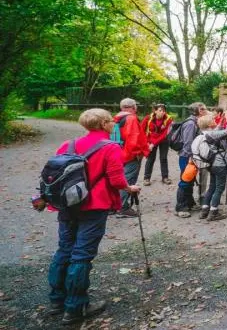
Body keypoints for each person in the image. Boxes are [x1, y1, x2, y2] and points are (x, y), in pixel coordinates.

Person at [47, 109, 142, 325]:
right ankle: (76, 306)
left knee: (64, 249)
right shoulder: (110, 147)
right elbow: (117, 180)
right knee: (82, 254)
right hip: (94, 205)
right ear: (104, 124)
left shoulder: (68, 145)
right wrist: (130, 188)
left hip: (68, 204)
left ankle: (56, 300)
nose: (114, 124)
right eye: (111, 121)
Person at [192, 114, 227, 221]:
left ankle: (204, 210)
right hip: (220, 165)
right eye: (212, 120)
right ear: (209, 124)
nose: (214, 120)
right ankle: (213, 212)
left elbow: (216, 131)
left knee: (212, 187)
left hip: (211, 164)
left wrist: (220, 123)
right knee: (219, 188)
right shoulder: (212, 134)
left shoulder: (205, 133)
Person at [114, 98, 148, 218]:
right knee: (128, 180)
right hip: (129, 155)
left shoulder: (116, 118)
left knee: (118, 179)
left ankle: (115, 205)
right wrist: (139, 154)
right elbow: (134, 139)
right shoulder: (131, 118)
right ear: (134, 107)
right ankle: (122, 208)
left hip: (117, 153)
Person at [176, 102, 208, 218]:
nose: (206, 111)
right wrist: (192, 158)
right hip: (187, 157)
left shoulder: (195, 122)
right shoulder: (190, 124)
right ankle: (180, 207)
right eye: (204, 109)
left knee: (190, 180)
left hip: (191, 157)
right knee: (185, 181)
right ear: (199, 111)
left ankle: (190, 203)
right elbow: (188, 143)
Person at [140, 104, 173, 186]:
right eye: (160, 110)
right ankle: (146, 178)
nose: (162, 112)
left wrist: (153, 144)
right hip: (150, 140)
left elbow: (164, 134)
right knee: (150, 159)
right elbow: (142, 131)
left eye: (164, 111)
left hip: (163, 140)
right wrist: (147, 143)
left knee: (163, 158)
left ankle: (165, 177)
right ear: (155, 111)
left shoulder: (168, 119)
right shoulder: (148, 118)